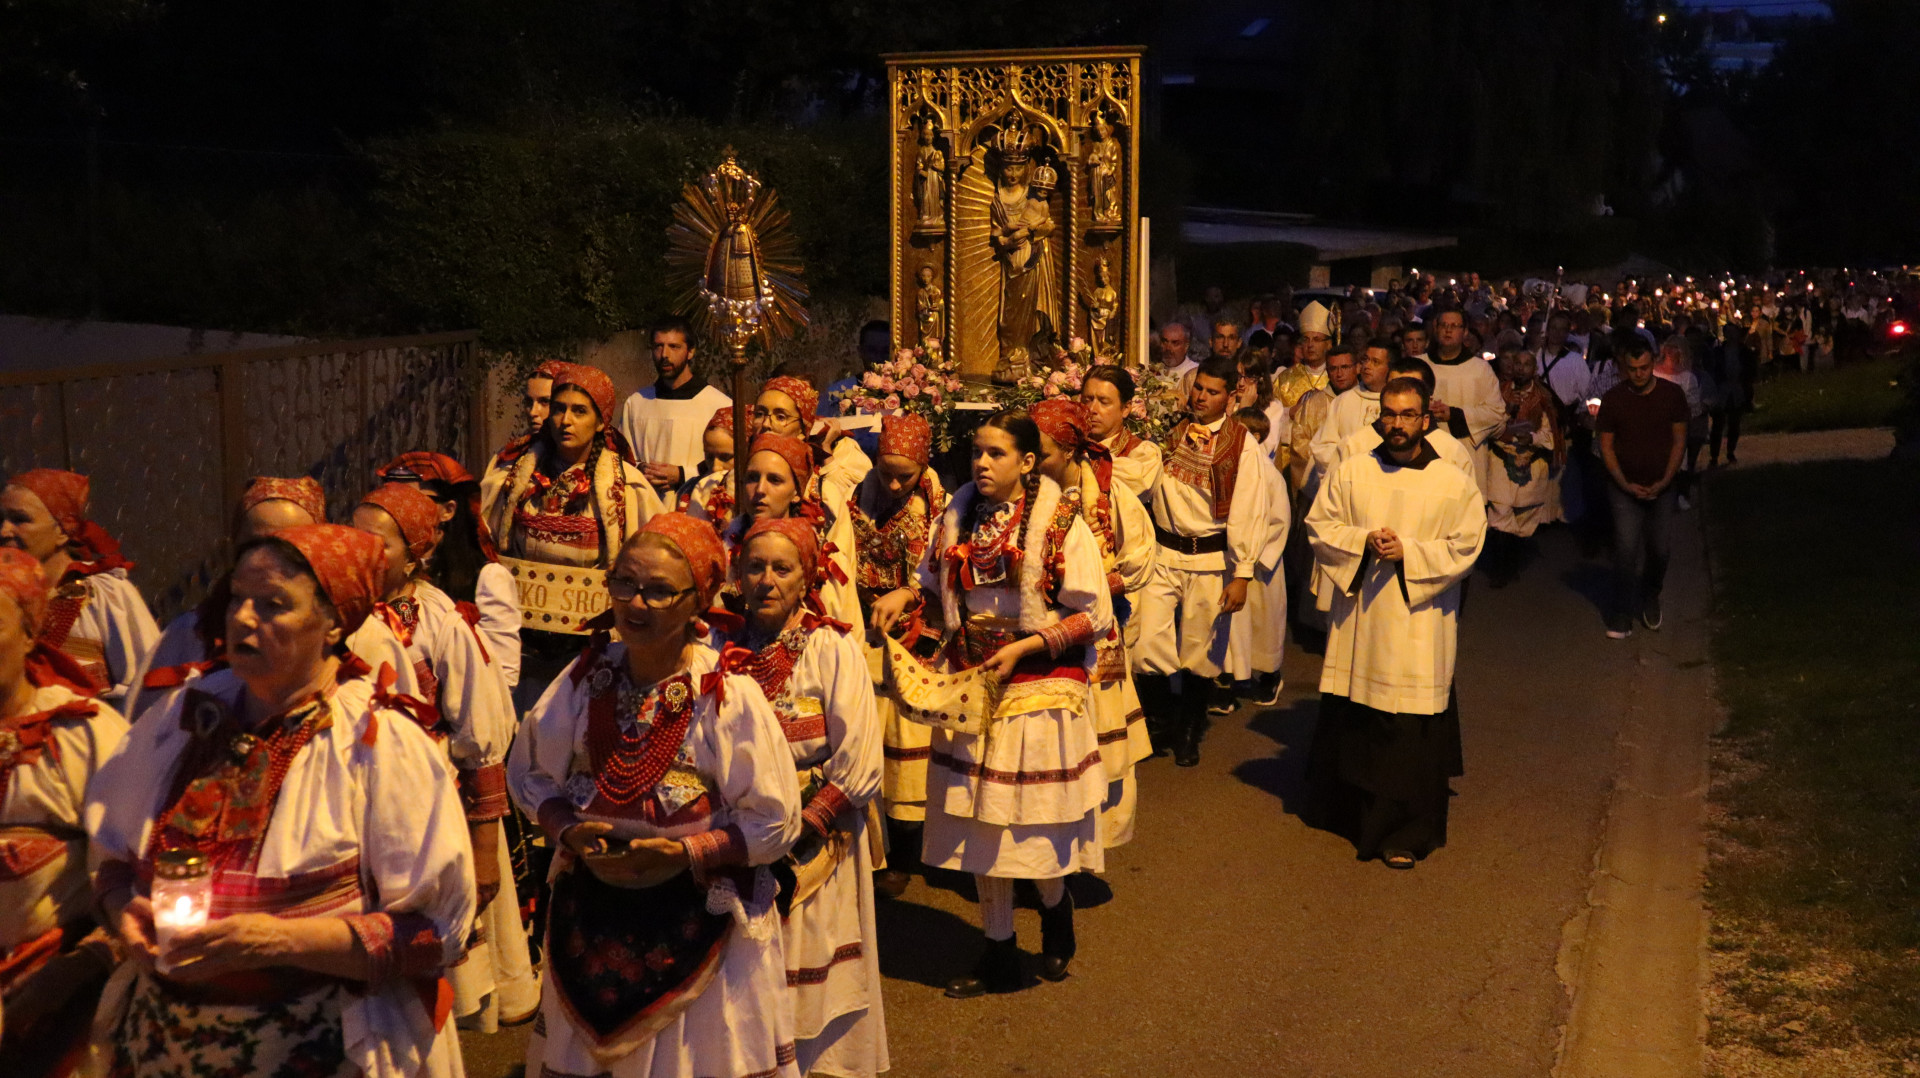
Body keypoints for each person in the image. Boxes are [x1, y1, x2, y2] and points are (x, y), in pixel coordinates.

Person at [87, 524, 475, 1078]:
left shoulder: (376, 741)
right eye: (237, 599)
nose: (244, 618)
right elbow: (112, 863)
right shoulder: (185, 714)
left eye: (273, 605)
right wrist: (124, 913)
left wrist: (278, 940)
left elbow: (434, 933)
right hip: (161, 1043)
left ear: (334, 623)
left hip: (318, 1045)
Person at [507, 513, 803, 1078]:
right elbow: (530, 772)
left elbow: (773, 820)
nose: (636, 603)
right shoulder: (585, 677)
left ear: (698, 602)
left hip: (694, 915)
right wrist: (567, 828)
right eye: (624, 583)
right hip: (592, 910)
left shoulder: (724, 694)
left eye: (660, 590)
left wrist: (685, 852)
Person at [867, 411, 1112, 996]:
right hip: (971, 686)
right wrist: (906, 594)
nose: (981, 463)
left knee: (1028, 830)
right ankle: (998, 951)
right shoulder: (957, 517)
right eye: (977, 452)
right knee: (980, 830)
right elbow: (933, 583)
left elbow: (1094, 615)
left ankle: (1054, 908)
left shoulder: (1061, 522)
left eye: (996, 454)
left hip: (1035, 689)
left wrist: (1026, 645)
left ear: (1026, 463)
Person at [353, 482, 533, 1032]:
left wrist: (483, 848)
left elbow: (482, 732)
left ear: (415, 554)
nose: (362, 550)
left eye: (379, 542)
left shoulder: (438, 619)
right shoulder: (338, 609)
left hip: (427, 810)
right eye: (353, 535)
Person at [723, 517, 887, 1078]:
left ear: (806, 578)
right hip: (737, 836)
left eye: (782, 568)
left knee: (809, 961)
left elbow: (859, 757)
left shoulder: (830, 647)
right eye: (754, 567)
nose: (766, 580)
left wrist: (802, 827)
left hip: (818, 844)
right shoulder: (718, 645)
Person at [1304, 377, 1486, 869]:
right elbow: (1320, 525)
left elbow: (1468, 543)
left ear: (1425, 419)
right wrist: (1362, 542)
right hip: (1362, 619)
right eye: (1389, 414)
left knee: (1409, 729)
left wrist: (1410, 552)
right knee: (1360, 720)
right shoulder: (1352, 471)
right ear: (1379, 416)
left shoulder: (1451, 480)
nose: (1397, 424)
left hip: (1418, 623)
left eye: (1408, 415)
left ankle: (1406, 832)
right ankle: (1354, 819)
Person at [127, 476, 420, 720]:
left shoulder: (367, 638)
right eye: (254, 545)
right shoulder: (189, 633)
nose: (268, 559)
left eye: (290, 546)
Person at [0, 548, 127, 1076]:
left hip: (63, 996)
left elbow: (137, 877)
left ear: (31, 634)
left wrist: (78, 968)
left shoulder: (85, 732)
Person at [482, 361, 665, 700]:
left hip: (591, 652)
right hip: (521, 649)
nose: (565, 420)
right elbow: (484, 545)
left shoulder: (627, 488)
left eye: (579, 411)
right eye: (559, 409)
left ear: (601, 422)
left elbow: (656, 561)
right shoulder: (512, 479)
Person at [1132, 355, 1270, 766]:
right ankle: (1159, 721)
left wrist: (1242, 573)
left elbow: (1249, 508)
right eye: (1198, 388)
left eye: (1212, 392)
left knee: (1201, 648)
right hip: (1162, 553)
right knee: (1146, 642)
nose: (1202, 397)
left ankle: (1189, 730)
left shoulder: (1241, 444)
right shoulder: (1167, 431)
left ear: (1230, 397)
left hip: (1209, 558)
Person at [1030, 400, 1155, 846]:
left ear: (1068, 451)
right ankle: (1045, 848)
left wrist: (1093, 589)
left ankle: (1091, 846)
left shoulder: (1108, 494)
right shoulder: (1023, 495)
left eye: (1042, 453)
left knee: (1100, 743)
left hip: (1096, 637)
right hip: (1040, 638)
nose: (1033, 462)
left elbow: (1140, 559)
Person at [846, 415, 946, 897]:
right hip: (868, 631)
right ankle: (876, 852)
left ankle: (910, 851)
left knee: (910, 744)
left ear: (923, 466)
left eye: (904, 475)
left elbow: (942, 573)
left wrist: (908, 597)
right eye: (885, 472)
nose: (892, 484)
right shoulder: (859, 494)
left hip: (917, 636)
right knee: (872, 738)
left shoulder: (940, 508)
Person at [0, 469, 158, 708]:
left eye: (20, 520)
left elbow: (147, 686)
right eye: (1, 520)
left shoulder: (104, 594)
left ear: (62, 531)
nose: (4, 531)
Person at [377, 452, 523, 688]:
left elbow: (503, 677)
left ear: (448, 510)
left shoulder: (486, 578)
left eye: (415, 501)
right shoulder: (379, 573)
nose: (401, 512)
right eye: (391, 503)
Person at [697, 432, 861, 629]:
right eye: (752, 478)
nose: (760, 489)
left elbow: (850, 636)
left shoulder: (824, 563)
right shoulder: (718, 556)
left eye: (774, 480)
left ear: (796, 492)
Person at [1596, 332, 1688, 639]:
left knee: (1659, 548)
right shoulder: (1614, 399)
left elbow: (1679, 441)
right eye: (1633, 369)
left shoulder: (1672, 395)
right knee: (1626, 548)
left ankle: (1650, 594)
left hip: (1662, 485)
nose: (1639, 374)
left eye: (1644, 368)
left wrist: (1665, 481)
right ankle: (1622, 611)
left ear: (1653, 363)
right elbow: (1606, 445)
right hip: (1624, 487)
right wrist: (1624, 483)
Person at [617, 316, 734, 500]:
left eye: (674, 347)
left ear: (690, 351)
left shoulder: (719, 405)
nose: (665, 354)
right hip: (645, 504)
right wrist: (641, 468)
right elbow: (622, 458)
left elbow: (729, 466)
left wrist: (682, 474)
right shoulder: (636, 403)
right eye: (658, 346)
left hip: (697, 504)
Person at [1220, 407, 1291, 709]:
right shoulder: (1231, 466)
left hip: (1261, 566)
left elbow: (1280, 521)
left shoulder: (1270, 474)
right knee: (1232, 626)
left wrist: (1257, 559)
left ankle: (1270, 676)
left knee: (1264, 626)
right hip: (1233, 561)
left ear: (1257, 436)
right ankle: (1229, 679)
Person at [1484, 348, 1566, 587]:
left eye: (1526, 364)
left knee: (1523, 519)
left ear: (1535, 369)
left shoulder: (1543, 397)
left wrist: (1531, 438)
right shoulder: (1498, 391)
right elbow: (1487, 422)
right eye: (1516, 363)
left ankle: (1511, 563)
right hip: (1500, 461)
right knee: (1500, 513)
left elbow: (1552, 433)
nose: (1520, 368)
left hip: (1530, 463)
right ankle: (1499, 569)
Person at [752, 375, 873, 523]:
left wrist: (826, 452)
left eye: (781, 417)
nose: (766, 424)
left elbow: (855, 501)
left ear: (803, 427)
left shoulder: (839, 447)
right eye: (759, 414)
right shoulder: (742, 461)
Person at [1425, 308, 1506, 495]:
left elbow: (1496, 412)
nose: (1448, 330)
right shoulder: (1420, 365)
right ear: (1435, 328)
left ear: (1465, 331)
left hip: (1467, 453)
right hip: (1427, 453)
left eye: (1454, 326)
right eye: (1444, 325)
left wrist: (1454, 415)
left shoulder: (1481, 369)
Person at [1081, 365, 1163, 501]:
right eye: (1087, 400)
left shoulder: (1144, 454)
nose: (1092, 409)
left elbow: (1131, 491)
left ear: (1125, 409)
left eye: (1104, 402)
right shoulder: (1069, 447)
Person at [1653, 335, 1708, 510]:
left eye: (1676, 348)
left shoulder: (1687, 377)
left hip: (1677, 427)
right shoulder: (1653, 372)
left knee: (1679, 462)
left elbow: (1694, 407)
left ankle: (1680, 495)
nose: (1671, 352)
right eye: (1670, 347)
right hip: (1655, 426)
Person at [677, 406, 740, 521]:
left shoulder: (750, 496)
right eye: (709, 457)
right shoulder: (688, 490)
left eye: (725, 457)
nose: (716, 467)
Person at [1704, 324, 1754, 466]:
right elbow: (1713, 370)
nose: (1732, 336)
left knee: (1734, 424)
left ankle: (1730, 451)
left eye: (1734, 332)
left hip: (1737, 390)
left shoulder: (1745, 352)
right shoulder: (1718, 352)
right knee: (1718, 425)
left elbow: (1750, 371)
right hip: (1722, 390)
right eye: (1729, 333)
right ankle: (1714, 455)